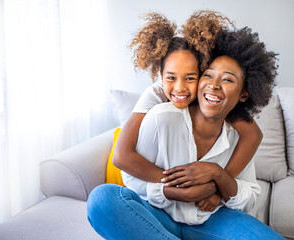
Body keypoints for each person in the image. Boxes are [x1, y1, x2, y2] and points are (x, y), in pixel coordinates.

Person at [87, 23, 283, 239]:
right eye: (209, 75)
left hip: (211, 219)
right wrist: (174, 190)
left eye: (227, 79)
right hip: (156, 215)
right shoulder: (159, 113)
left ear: (244, 93)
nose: (214, 85)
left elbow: (250, 193)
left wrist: (218, 177)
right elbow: (128, 169)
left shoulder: (237, 133)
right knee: (102, 200)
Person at [113, 12, 264, 209]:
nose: (180, 88)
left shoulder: (211, 99)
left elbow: (253, 134)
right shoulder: (156, 97)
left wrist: (218, 185)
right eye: (171, 78)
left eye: (191, 78)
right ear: (160, 75)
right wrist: (177, 186)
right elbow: (121, 156)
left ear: (201, 74)